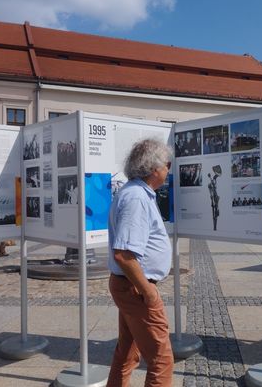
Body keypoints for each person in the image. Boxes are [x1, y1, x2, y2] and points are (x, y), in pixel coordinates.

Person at [107, 138, 174, 387]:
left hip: (131, 286)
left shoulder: (138, 193)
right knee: (161, 360)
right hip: (136, 288)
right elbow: (124, 254)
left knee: (127, 353)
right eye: (167, 164)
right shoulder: (136, 197)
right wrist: (148, 292)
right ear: (154, 168)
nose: (169, 169)